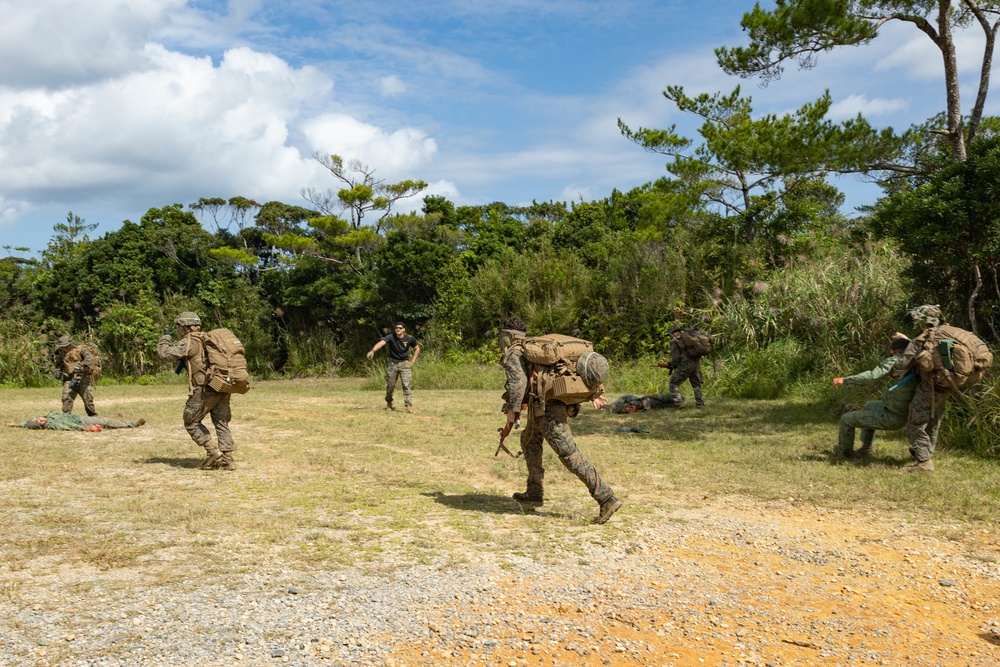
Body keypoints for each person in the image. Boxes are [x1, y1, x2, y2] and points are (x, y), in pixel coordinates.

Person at [499, 317, 622, 525]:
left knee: (568, 454)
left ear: (509, 336)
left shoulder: (516, 352)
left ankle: (606, 498)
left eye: (500, 336)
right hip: (544, 405)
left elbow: (518, 383)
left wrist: (513, 411)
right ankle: (534, 491)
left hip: (549, 408)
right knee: (529, 440)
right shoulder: (533, 348)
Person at [158, 312, 237, 470]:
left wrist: (165, 338)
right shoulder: (210, 339)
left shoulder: (189, 342)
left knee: (191, 421)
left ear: (184, 327)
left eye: (178, 326)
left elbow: (165, 354)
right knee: (221, 422)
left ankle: (212, 451)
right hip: (221, 386)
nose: (178, 329)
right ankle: (228, 460)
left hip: (204, 389)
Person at [890, 305, 952, 473]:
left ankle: (924, 463)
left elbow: (903, 364)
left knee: (915, 422)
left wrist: (893, 372)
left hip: (928, 386)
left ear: (922, 320)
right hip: (945, 385)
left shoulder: (922, 338)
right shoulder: (945, 333)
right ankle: (925, 451)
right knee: (933, 420)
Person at [833, 333, 915, 458]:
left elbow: (872, 375)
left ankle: (844, 452)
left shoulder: (896, 360)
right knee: (870, 405)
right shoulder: (915, 360)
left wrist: (844, 380)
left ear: (895, 351)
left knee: (846, 419)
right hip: (907, 412)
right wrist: (905, 338)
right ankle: (866, 448)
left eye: (892, 352)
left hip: (894, 416)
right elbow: (914, 346)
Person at [366, 321, 421, 413]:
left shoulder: (409, 339)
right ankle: (389, 403)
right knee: (390, 385)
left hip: (405, 364)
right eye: (396, 328)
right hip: (392, 364)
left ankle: (409, 405)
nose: (398, 329)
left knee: (406, 385)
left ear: (404, 329)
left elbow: (417, 348)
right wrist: (373, 350)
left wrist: (413, 361)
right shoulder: (390, 337)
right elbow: (381, 343)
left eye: (400, 328)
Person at [54, 335, 99, 416]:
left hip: (83, 378)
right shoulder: (62, 354)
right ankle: (66, 416)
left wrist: (81, 365)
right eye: (62, 347)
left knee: (88, 398)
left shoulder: (80, 350)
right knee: (66, 397)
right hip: (70, 379)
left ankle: (92, 416)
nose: (64, 349)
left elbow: (90, 358)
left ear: (70, 344)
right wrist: (58, 371)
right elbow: (58, 364)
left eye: (66, 347)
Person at [666, 325, 705, 408]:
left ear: (673, 333)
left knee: (673, 383)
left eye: (670, 334)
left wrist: (673, 365)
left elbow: (676, 357)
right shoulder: (688, 338)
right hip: (696, 363)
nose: (670, 336)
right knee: (696, 385)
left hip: (685, 364)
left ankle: (678, 403)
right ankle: (700, 404)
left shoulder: (675, 341)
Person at [7, 410, 144, 430]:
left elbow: (25, 423)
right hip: (80, 422)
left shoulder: (48, 416)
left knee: (104, 420)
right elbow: (69, 426)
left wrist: (15, 424)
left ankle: (120, 421)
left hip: (79, 417)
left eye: (38, 418)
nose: (40, 419)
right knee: (105, 422)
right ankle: (133, 424)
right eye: (39, 422)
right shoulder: (54, 424)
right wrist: (84, 429)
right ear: (41, 426)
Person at [606, 394, 679, 414]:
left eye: (628, 408)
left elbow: (658, 396)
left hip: (642, 400)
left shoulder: (633, 402)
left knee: (667, 398)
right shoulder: (648, 408)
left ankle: (612, 407)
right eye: (628, 409)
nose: (629, 408)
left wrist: (646, 397)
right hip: (652, 403)